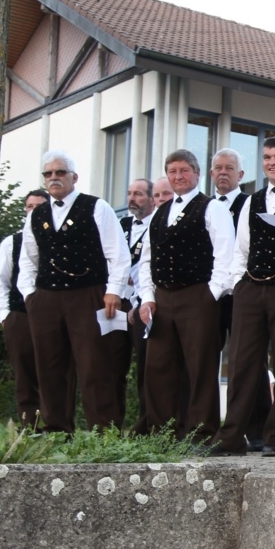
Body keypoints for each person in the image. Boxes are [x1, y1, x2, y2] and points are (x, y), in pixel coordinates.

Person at [205, 137, 275, 456]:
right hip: (250, 289)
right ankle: (231, 437)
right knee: (241, 363)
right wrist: (239, 286)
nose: (272, 162)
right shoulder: (251, 201)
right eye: (267, 157)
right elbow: (241, 249)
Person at [17, 151, 130, 432]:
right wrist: (30, 295)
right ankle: (56, 431)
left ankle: (103, 433)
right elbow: (28, 260)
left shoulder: (96, 207)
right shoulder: (36, 215)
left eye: (60, 172)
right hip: (46, 298)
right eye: (48, 173)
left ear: (74, 177)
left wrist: (113, 290)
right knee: (49, 367)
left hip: (88, 295)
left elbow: (118, 253)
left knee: (94, 365)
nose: (53, 177)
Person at [137, 149, 235, 441]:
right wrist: (147, 297)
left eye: (184, 171)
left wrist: (210, 295)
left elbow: (225, 254)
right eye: (173, 171)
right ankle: (162, 433)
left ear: (197, 173)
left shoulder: (211, 207)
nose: (178, 177)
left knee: (200, 367)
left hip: (198, 296)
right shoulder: (159, 212)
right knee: (159, 367)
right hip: (162, 299)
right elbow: (147, 259)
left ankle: (203, 433)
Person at [210, 147, 269, 449]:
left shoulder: (251, 203)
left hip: (243, 290)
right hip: (212, 294)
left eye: (229, 168)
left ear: (241, 175)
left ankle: (258, 430)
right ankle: (209, 427)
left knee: (250, 360)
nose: (223, 173)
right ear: (211, 174)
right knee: (207, 359)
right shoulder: (205, 207)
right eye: (218, 168)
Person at [0, 188, 51, 426]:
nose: (33, 211)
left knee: (56, 372)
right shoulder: (11, 242)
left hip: (53, 316)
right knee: (24, 376)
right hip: (19, 317)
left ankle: (57, 427)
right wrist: (6, 317)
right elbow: (0, 282)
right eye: (29, 207)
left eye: (39, 207)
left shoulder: (57, 240)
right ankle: (28, 427)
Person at [121, 178, 154, 433]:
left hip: (144, 302)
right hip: (118, 302)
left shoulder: (158, 224)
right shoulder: (121, 225)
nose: (132, 198)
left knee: (146, 365)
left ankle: (147, 422)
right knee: (113, 365)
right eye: (130, 193)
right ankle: (111, 425)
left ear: (152, 199)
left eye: (139, 194)